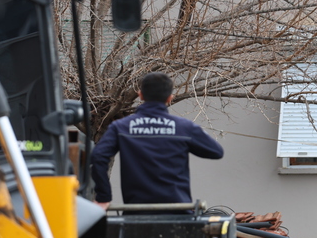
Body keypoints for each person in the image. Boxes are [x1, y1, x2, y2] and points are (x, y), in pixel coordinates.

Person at [90, 72, 223, 210]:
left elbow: (98, 156)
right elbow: (216, 151)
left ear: (140, 95)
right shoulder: (184, 127)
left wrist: (103, 197)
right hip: (179, 213)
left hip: (137, 212)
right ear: (169, 98)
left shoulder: (121, 127)